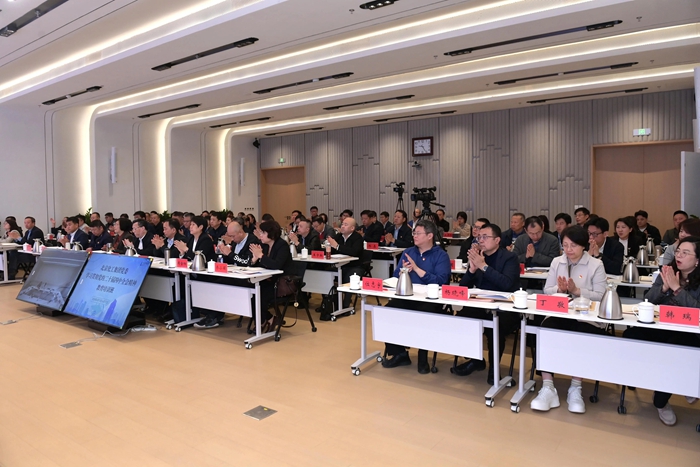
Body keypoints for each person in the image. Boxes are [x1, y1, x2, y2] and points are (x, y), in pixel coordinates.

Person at [623, 236, 700, 426]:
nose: (679, 255)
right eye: (678, 251)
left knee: (674, 349)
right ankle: (679, 381)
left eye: (686, 253)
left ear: (697, 260)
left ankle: (661, 400)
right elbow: (648, 299)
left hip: (688, 333)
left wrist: (676, 289)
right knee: (630, 336)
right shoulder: (667, 271)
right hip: (661, 326)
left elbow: (697, 311)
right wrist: (665, 287)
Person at [530, 226, 607, 414]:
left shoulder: (596, 265)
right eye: (565, 245)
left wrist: (577, 291)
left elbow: (600, 295)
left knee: (580, 335)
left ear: (583, 245)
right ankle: (548, 387)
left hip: (586, 318)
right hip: (560, 313)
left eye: (573, 245)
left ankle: (575, 387)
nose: (568, 249)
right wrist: (560, 289)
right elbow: (547, 290)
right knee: (545, 330)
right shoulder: (557, 262)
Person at [381, 220, 451, 374]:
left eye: (418, 233)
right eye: (414, 233)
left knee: (423, 316)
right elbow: (395, 275)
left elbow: (442, 281)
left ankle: (423, 355)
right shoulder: (409, 252)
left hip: (430, 299)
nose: (414, 236)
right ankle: (399, 354)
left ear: (430, 236)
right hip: (408, 296)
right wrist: (403, 271)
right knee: (387, 311)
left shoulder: (441, 255)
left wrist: (418, 270)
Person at [455, 224, 520, 383]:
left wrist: (483, 266)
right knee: (461, 320)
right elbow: (462, 288)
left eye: (485, 237)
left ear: (497, 240)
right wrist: (472, 270)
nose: (481, 240)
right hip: (481, 304)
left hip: (504, 307)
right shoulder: (478, 256)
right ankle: (476, 360)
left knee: (495, 328)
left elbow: (506, 284)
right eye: (479, 237)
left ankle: (494, 369)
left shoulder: (509, 258)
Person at [194, 219, 261, 329]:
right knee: (210, 281)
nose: (232, 239)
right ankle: (212, 314)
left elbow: (246, 262)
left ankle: (215, 316)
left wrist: (229, 253)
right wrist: (223, 254)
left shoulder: (252, 241)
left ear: (240, 232)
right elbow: (232, 260)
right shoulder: (236, 242)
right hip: (234, 274)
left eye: (233, 236)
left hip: (248, 278)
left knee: (218, 285)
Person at [249, 220, 294, 331]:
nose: (260, 235)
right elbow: (260, 265)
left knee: (259, 295)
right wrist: (254, 260)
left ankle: (264, 320)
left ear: (272, 234)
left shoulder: (282, 245)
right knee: (250, 292)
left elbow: (276, 265)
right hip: (267, 280)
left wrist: (261, 256)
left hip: (281, 283)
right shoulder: (264, 246)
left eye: (263, 233)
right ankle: (267, 319)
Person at [327, 217, 364, 309]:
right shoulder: (338, 236)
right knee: (327, 275)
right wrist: (329, 247)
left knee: (349, 277)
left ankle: (346, 305)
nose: (342, 226)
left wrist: (337, 246)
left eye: (345, 225)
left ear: (352, 228)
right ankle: (332, 303)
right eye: (342, 224)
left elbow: (354, 252)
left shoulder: (357, 237)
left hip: (354, 265)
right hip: (339, 265)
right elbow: (333, 250)